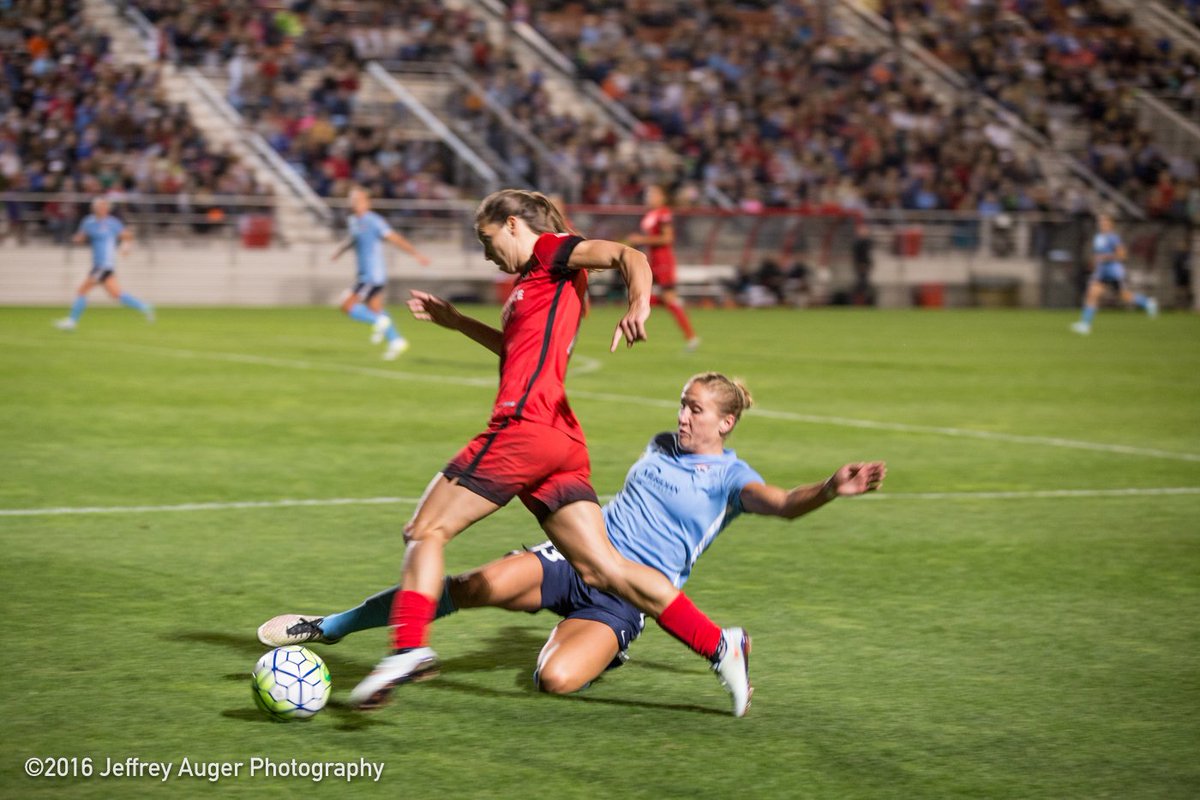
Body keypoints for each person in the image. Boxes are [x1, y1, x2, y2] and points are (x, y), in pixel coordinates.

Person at [346, 189, 752, 716]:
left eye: (487, 239)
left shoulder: (551, 253)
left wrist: (639, 302)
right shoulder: (533, 285)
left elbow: (631, 256)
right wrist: (458, 322)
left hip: (525, 428)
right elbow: (518, 350)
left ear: (513, 224)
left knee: (425, 531)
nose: (486, 253)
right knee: (605, 568)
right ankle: (721, 646)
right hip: (559, 438)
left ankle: (407, 649)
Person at [259, 372, 887, 705]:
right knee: (470, 586)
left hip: (628, 599)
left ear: (726, 422)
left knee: (554, 682)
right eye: (682, 403)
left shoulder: (733, 477)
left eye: (697, 408)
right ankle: (333, 625)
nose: (683, 415)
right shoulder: (662, 445)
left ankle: (615, 647)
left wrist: (830, 487)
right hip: (573, 559)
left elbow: (782, 504)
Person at [330, 186, 431, 360]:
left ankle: (379, 323)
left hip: (372, 275)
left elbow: (395, 239)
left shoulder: (374, 221)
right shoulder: (353, 221)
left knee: (347, 305)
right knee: (375, 309)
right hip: (365, 275)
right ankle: (396, 341)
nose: (353, 202)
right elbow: (353, 239)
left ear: (367, 203)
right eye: (351, 199)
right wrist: (340, 251)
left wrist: (416, 254)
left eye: (357, 199)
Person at [55, 198, 154, 331]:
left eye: (104, 206)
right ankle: (145, 307)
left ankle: (72, 322)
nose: (102, 208)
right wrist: (77, 239)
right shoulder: (88, 222)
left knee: (82, 290)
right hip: (99, 265)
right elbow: (82, 236)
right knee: (117, 294)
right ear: (94, 208)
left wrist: (126, 248)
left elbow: (127, 236)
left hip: (104, 265)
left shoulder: (113, 223)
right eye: (99, 206)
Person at [626, 184, 700, 350]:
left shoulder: (664, 213)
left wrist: (641, 240)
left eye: (653, 194)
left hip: (663, 261)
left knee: (664, 298)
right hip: (654, 260)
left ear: (662, 197)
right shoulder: (652, 214)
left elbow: (667, 238)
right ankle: (690, 337)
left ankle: (691, 337)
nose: (649, 197)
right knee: (662, 299)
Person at [1071, 213, 1158, 334]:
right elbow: (1098, 256)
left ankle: (1147, 302)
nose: (1102, 224)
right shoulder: (1098, 237)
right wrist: (1095, 264)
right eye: (1100, 221)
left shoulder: (1113, 237)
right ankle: (1085, 324)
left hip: (1113, 272)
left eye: (1105, 221)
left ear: (1111, 223)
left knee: (1124, 296)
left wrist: (1108, 257)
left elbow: (1123, 255)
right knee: (1092, 294)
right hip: (1101, 273)